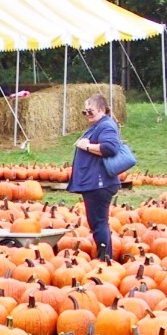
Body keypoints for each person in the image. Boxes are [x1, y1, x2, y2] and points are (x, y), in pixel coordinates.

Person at [66, 93, 123, 262]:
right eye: (85, 112)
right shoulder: (100, 125)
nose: (87, 114)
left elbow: (111, 147)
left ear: (102, 109)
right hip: (94, 182)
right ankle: (104, 256)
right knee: (97, 222)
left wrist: (87, 146)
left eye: (90, 111)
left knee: (98, 223)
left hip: (99, 183)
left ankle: (104, 258)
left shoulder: (106, 126)